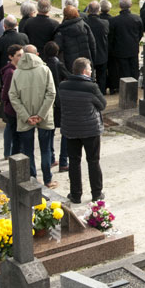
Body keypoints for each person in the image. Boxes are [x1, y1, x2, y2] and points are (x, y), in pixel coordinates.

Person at [58, 56, 107, 204]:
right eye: (90, 69)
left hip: (70, 128)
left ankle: (75, 194)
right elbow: (102, 104)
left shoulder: (63, 85)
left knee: (74, 161)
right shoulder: (91, 87)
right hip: (90, 128)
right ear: (85, 71)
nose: (91, 71)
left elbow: (60, 104)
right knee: (93, 160)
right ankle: (96, 193)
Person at [9, 44, 57, 187]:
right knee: (46, 148)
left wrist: (26, 116)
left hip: (26, 118)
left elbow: (13, 96)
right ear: (37, 54)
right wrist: (41, 114)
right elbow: (51, 93)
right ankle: (48, 179)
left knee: (28, 149)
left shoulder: (17, 73)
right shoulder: (45, 69)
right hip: (45, 116)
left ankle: (33, 178)